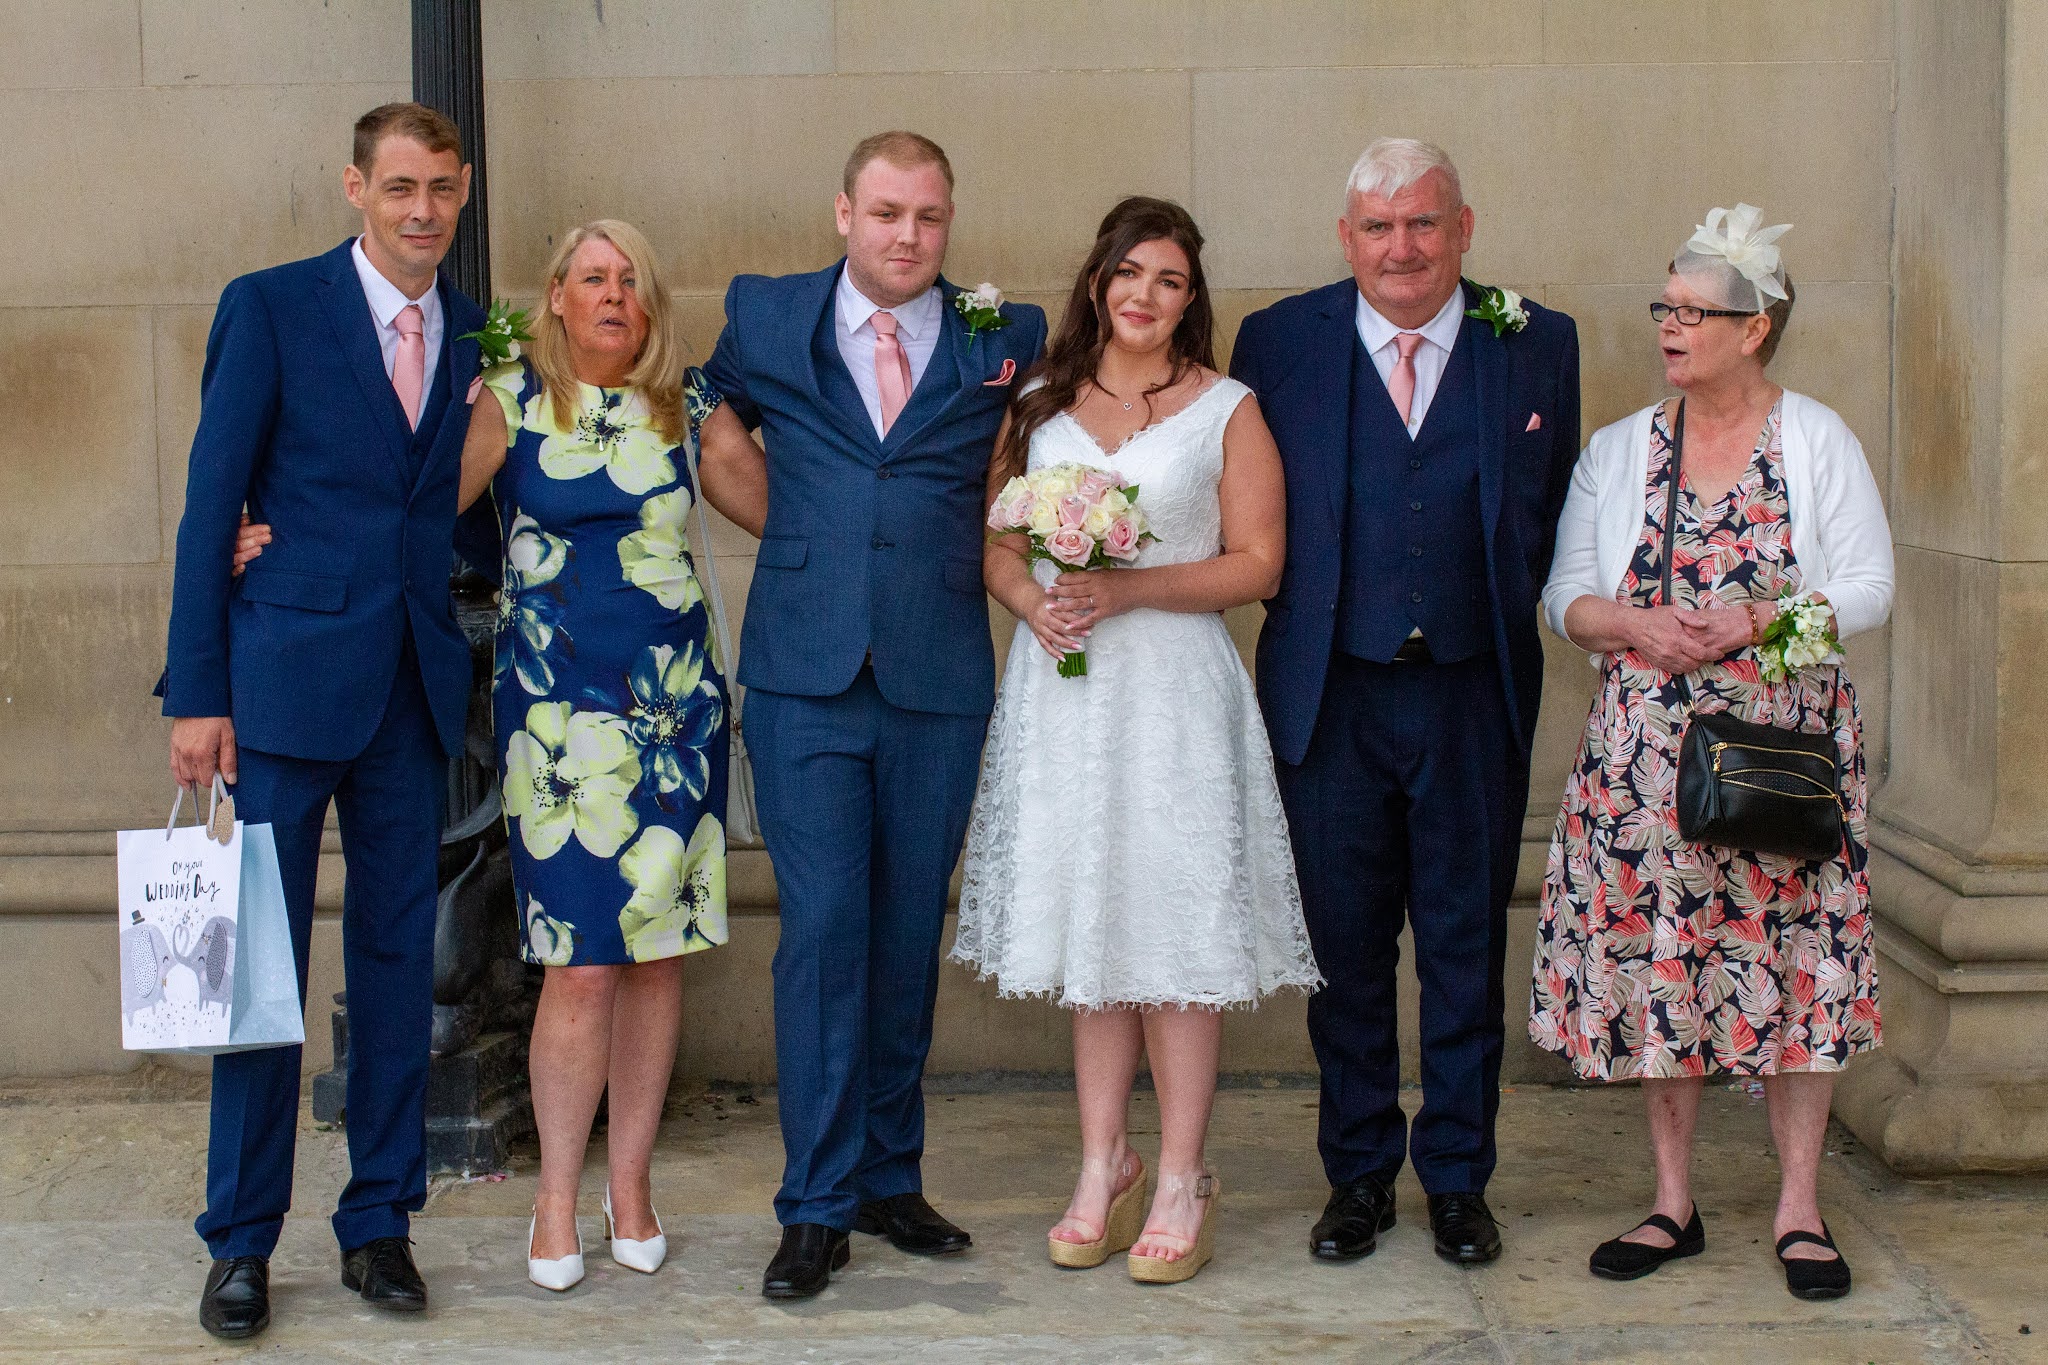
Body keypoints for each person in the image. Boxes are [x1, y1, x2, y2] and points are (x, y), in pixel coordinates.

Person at [235, 220, 755, 1293]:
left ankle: (631, 1186)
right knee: (580, 961)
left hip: (672, 717)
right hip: (558, 721)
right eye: (592, 277)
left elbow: (792, 515)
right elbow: (404, 505)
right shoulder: (510, 399)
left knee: (657, 955)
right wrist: (262, 529)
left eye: (632, 280)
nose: (613, 295)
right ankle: (555, 1200)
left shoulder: (688, 403)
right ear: (555, 295)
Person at [695, 131, 1048, 1300]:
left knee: (904, 934)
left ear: (949, 222)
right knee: (823, 927)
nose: (908, 235)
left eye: (928, 217)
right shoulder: (765, 314)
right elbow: (704, 411)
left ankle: (890, 1177)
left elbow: (1024, 468)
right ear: (843, 212)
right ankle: (814, 1203)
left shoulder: (1006, 335)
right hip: (802, 678)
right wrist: (796, 533)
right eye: (887, 212)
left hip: (936, 675)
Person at [159, 102, 486, 1340]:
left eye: (440, 189)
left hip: (409, 692)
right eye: (399, 187)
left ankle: (379, 1223)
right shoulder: (272, 306)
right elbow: (212, 503)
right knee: (258, 971)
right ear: (356, 188)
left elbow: (447, 504)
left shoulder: (474, 331)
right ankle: (241, 1241)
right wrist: (199, 691)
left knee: (398, 970)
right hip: (281, 686)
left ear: (462, 191)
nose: (421, 211)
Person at [1229, 138, 1582, 1267]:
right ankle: (1358, 1176)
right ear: (1347, 239)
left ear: (1462, 229)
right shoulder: (1278, 340)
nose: (1402, 247)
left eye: (1423, 222)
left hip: (1472, 693)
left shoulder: (1537, 342)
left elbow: (1545, 513)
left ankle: (1459, 1180)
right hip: (1330, 695)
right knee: (1344, 951)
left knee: (1464, 943)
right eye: (1378, 227)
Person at [952, 197, 1319, 1285]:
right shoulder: (1038, 402)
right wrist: (1033, 599)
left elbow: (1259, 562)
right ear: (1097, 281)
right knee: (1094, 925)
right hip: (1064, 693)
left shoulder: (1226, 409)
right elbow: (996, 543)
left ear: (1189, 298)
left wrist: (1127, 588)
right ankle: (1103, 1161)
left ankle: (1182, 1176)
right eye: (1128, 273)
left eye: (1168, 280)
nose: (1144, 295)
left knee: (1174, 929)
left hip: (1172, 695)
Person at [1530, 206, 1893, 1300]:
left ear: (1755, 329)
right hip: (1646, 763)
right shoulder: (1620, 449)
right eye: (1665, 307)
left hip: (1784, 757)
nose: (1670, 327)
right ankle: (1671, 1201)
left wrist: (1754, 622)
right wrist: (1632, 624)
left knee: (1799, 965)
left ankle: (1798, 1208)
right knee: (1668, 962)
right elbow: (1563, 597)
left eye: (1694, 312)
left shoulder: (1814, 438)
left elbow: (1870, 588)